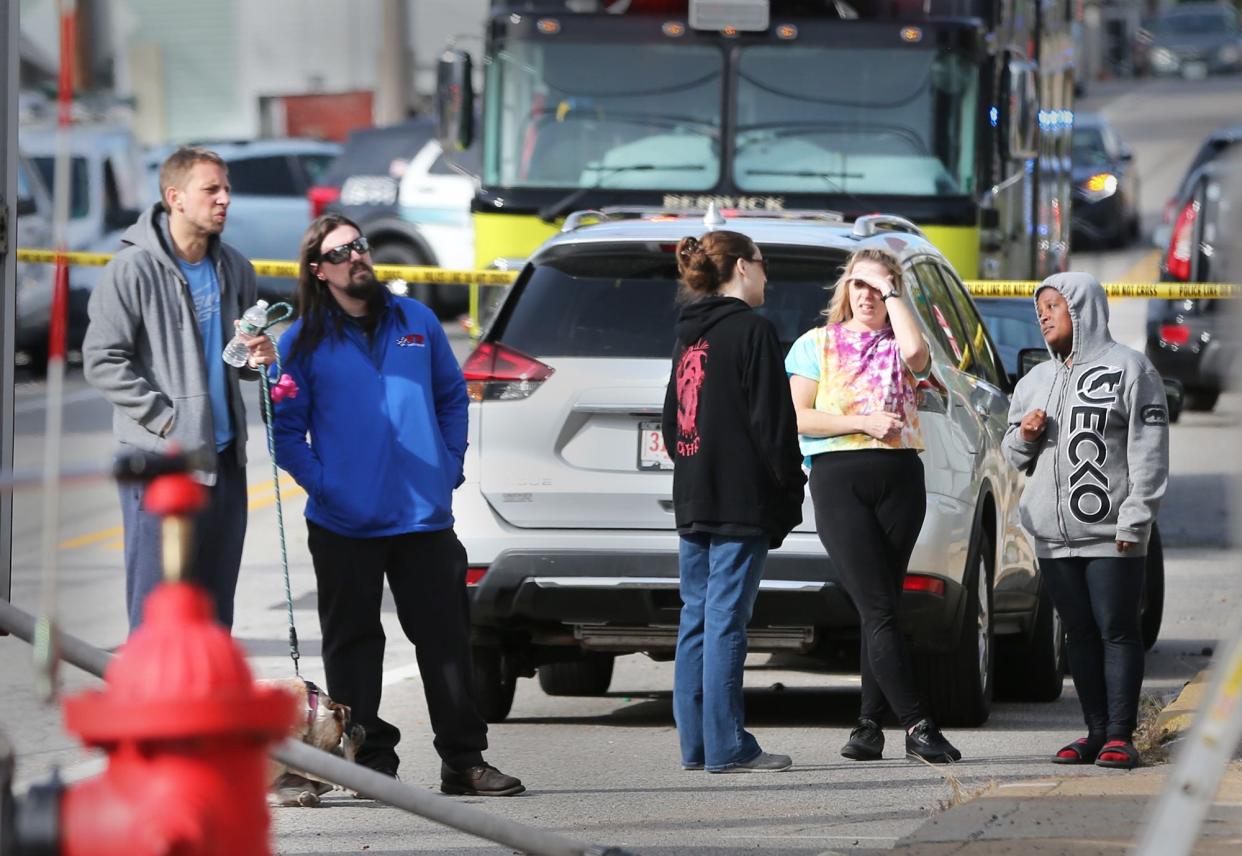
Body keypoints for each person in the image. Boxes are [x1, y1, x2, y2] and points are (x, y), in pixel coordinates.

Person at [271, 214, 523, 796]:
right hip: (343, 523)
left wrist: (449, 464)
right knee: (354, 644)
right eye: (341, 253)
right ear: (319, 271)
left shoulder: (417, 320)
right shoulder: (300, 341)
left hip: (422, 517)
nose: (357, 257)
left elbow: (451, 397)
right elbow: (285, 431)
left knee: (446, 642)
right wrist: (327, 485)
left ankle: (464, 760)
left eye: (360, 245)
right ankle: (373, 759)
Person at [83, 146, 275, 632]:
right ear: (176, 198)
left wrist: (259, 359)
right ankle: (151, 709)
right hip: (163, 463)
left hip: (225, 462)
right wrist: (168, 421)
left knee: (213, 617)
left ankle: (207, 709)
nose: (225, 199)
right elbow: (102, 359)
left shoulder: (235, 268)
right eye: (211, 189)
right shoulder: (132, 269)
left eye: (226, 188)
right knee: (158, 614)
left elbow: (240, 362)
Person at [786, 248, 961, 764]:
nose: (867, 296)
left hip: (900, 476)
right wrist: (862, 423)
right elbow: (799, 417)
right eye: (859, 284)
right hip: (840, 479)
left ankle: (867, 725)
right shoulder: (816, 343)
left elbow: (917, 357)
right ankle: (919, 725)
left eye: (879, 288)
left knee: (879, 603)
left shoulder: (899, 343)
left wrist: (891, 289)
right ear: (845, 290)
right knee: (880, 606)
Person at [1003, 272, 1169, 770]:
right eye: (1041, 310)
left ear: (1082, 309)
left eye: (1054, 305)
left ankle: (1122, 735)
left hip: (1113, 535)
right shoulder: (1035, 380)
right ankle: (1095, 732)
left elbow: (1150, 453)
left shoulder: (1131, 370)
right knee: (1078, 634)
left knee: (1118, 630)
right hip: (1054, 538)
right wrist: (1027, 435)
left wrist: (1134, 521)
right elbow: (1012, 455)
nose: (1045, 315)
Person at [660, 230, 806, 773]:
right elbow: (774, 424)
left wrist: (695, 465)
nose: (767, 276)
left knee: (696, 618)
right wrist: (790, 489)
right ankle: (727, 745)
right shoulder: (753, 331)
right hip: (742, 498)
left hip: (694, 493)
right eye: (763, 265)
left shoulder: (687, 335)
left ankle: (697, 745)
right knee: (725, 619)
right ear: (742, 268)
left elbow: (674, 422)